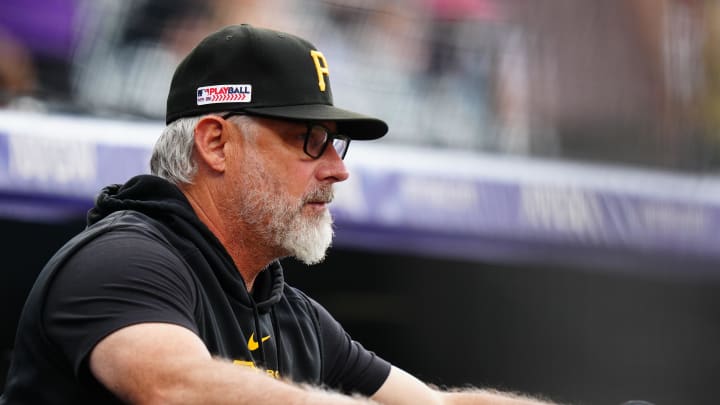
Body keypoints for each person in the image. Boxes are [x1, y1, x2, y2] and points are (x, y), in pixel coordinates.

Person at [1, 25, 557, 404]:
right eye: (310, 141)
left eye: (337, 145)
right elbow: (174, 388)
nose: (337, 171)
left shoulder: (292, 313)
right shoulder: (124, 258)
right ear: (215, 143)